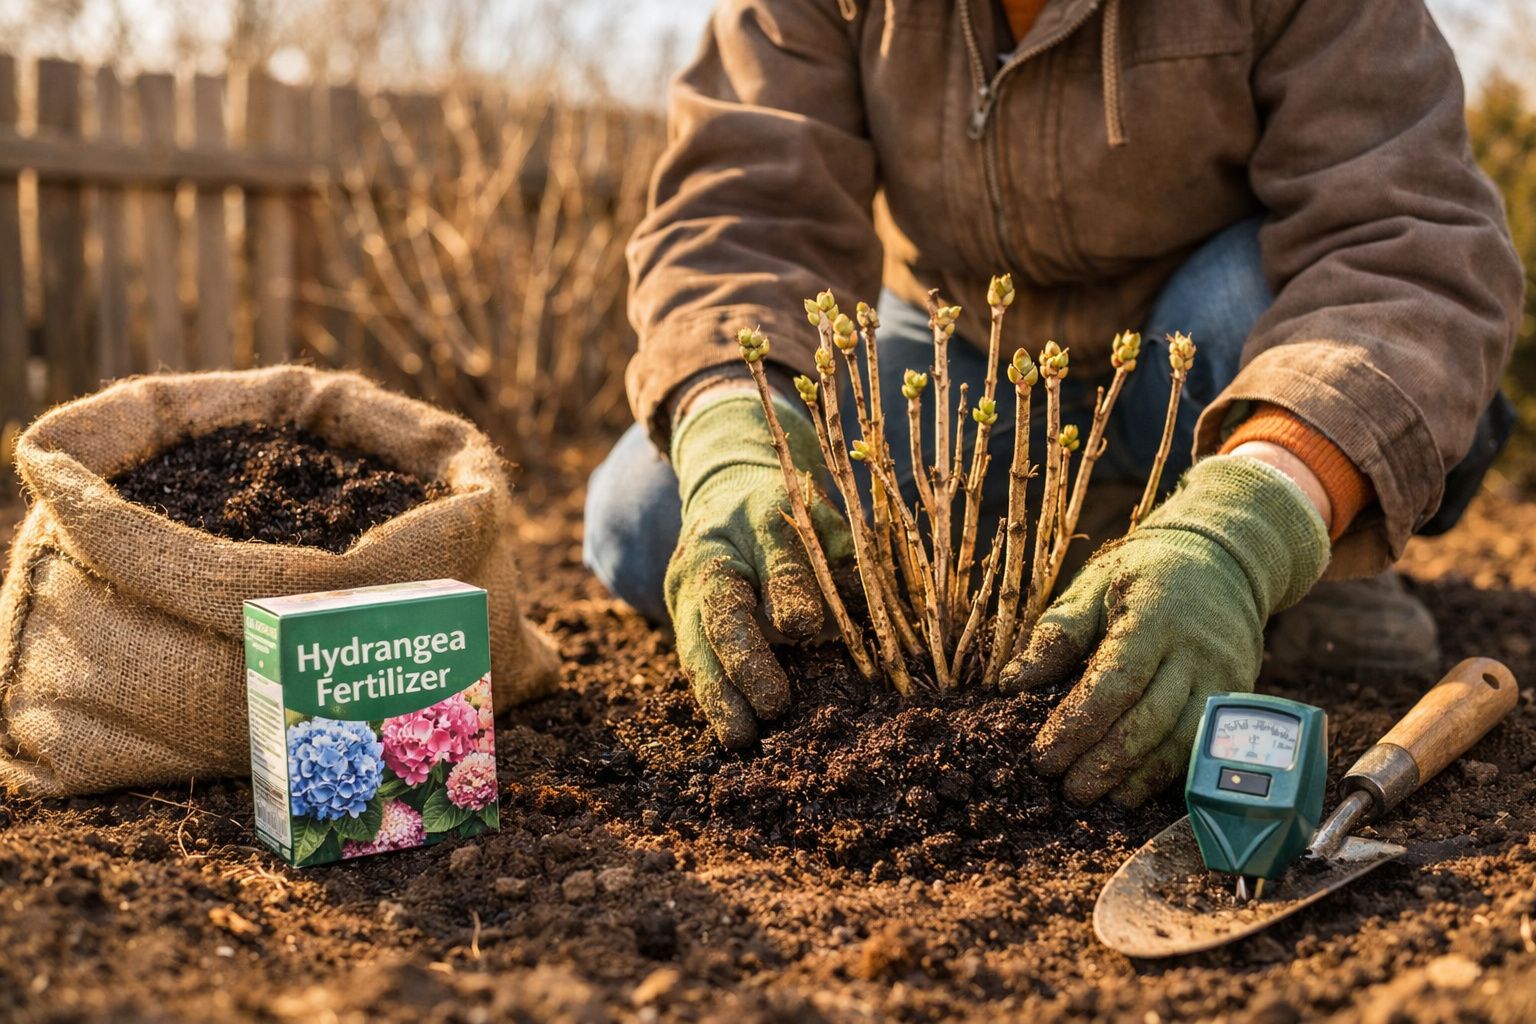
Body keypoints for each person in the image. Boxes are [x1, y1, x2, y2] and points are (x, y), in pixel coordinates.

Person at [583, 0, 1522, 806]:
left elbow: (1410, 245)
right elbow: (739, 216)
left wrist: (1254, 521)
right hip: (962, 361)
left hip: (1200, 366)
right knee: (649, 516)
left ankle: (1279, 541)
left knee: (1250, 310)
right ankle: (1099, 545)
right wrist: (738, 443)